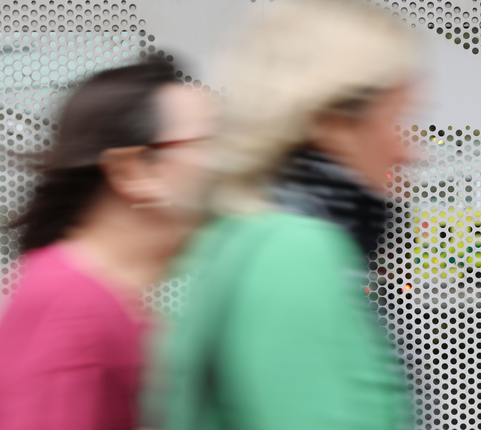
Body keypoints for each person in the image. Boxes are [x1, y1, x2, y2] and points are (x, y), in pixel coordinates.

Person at [163, 1, 418, 429]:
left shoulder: (234, 235)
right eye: (398, 119)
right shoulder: (297, 252)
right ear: (332, 121)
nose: (409, 151)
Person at [0, 57, 216, 430]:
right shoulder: (69, 305)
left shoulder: (110, 304)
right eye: (208, 143)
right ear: (132, 170)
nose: (227, 164)